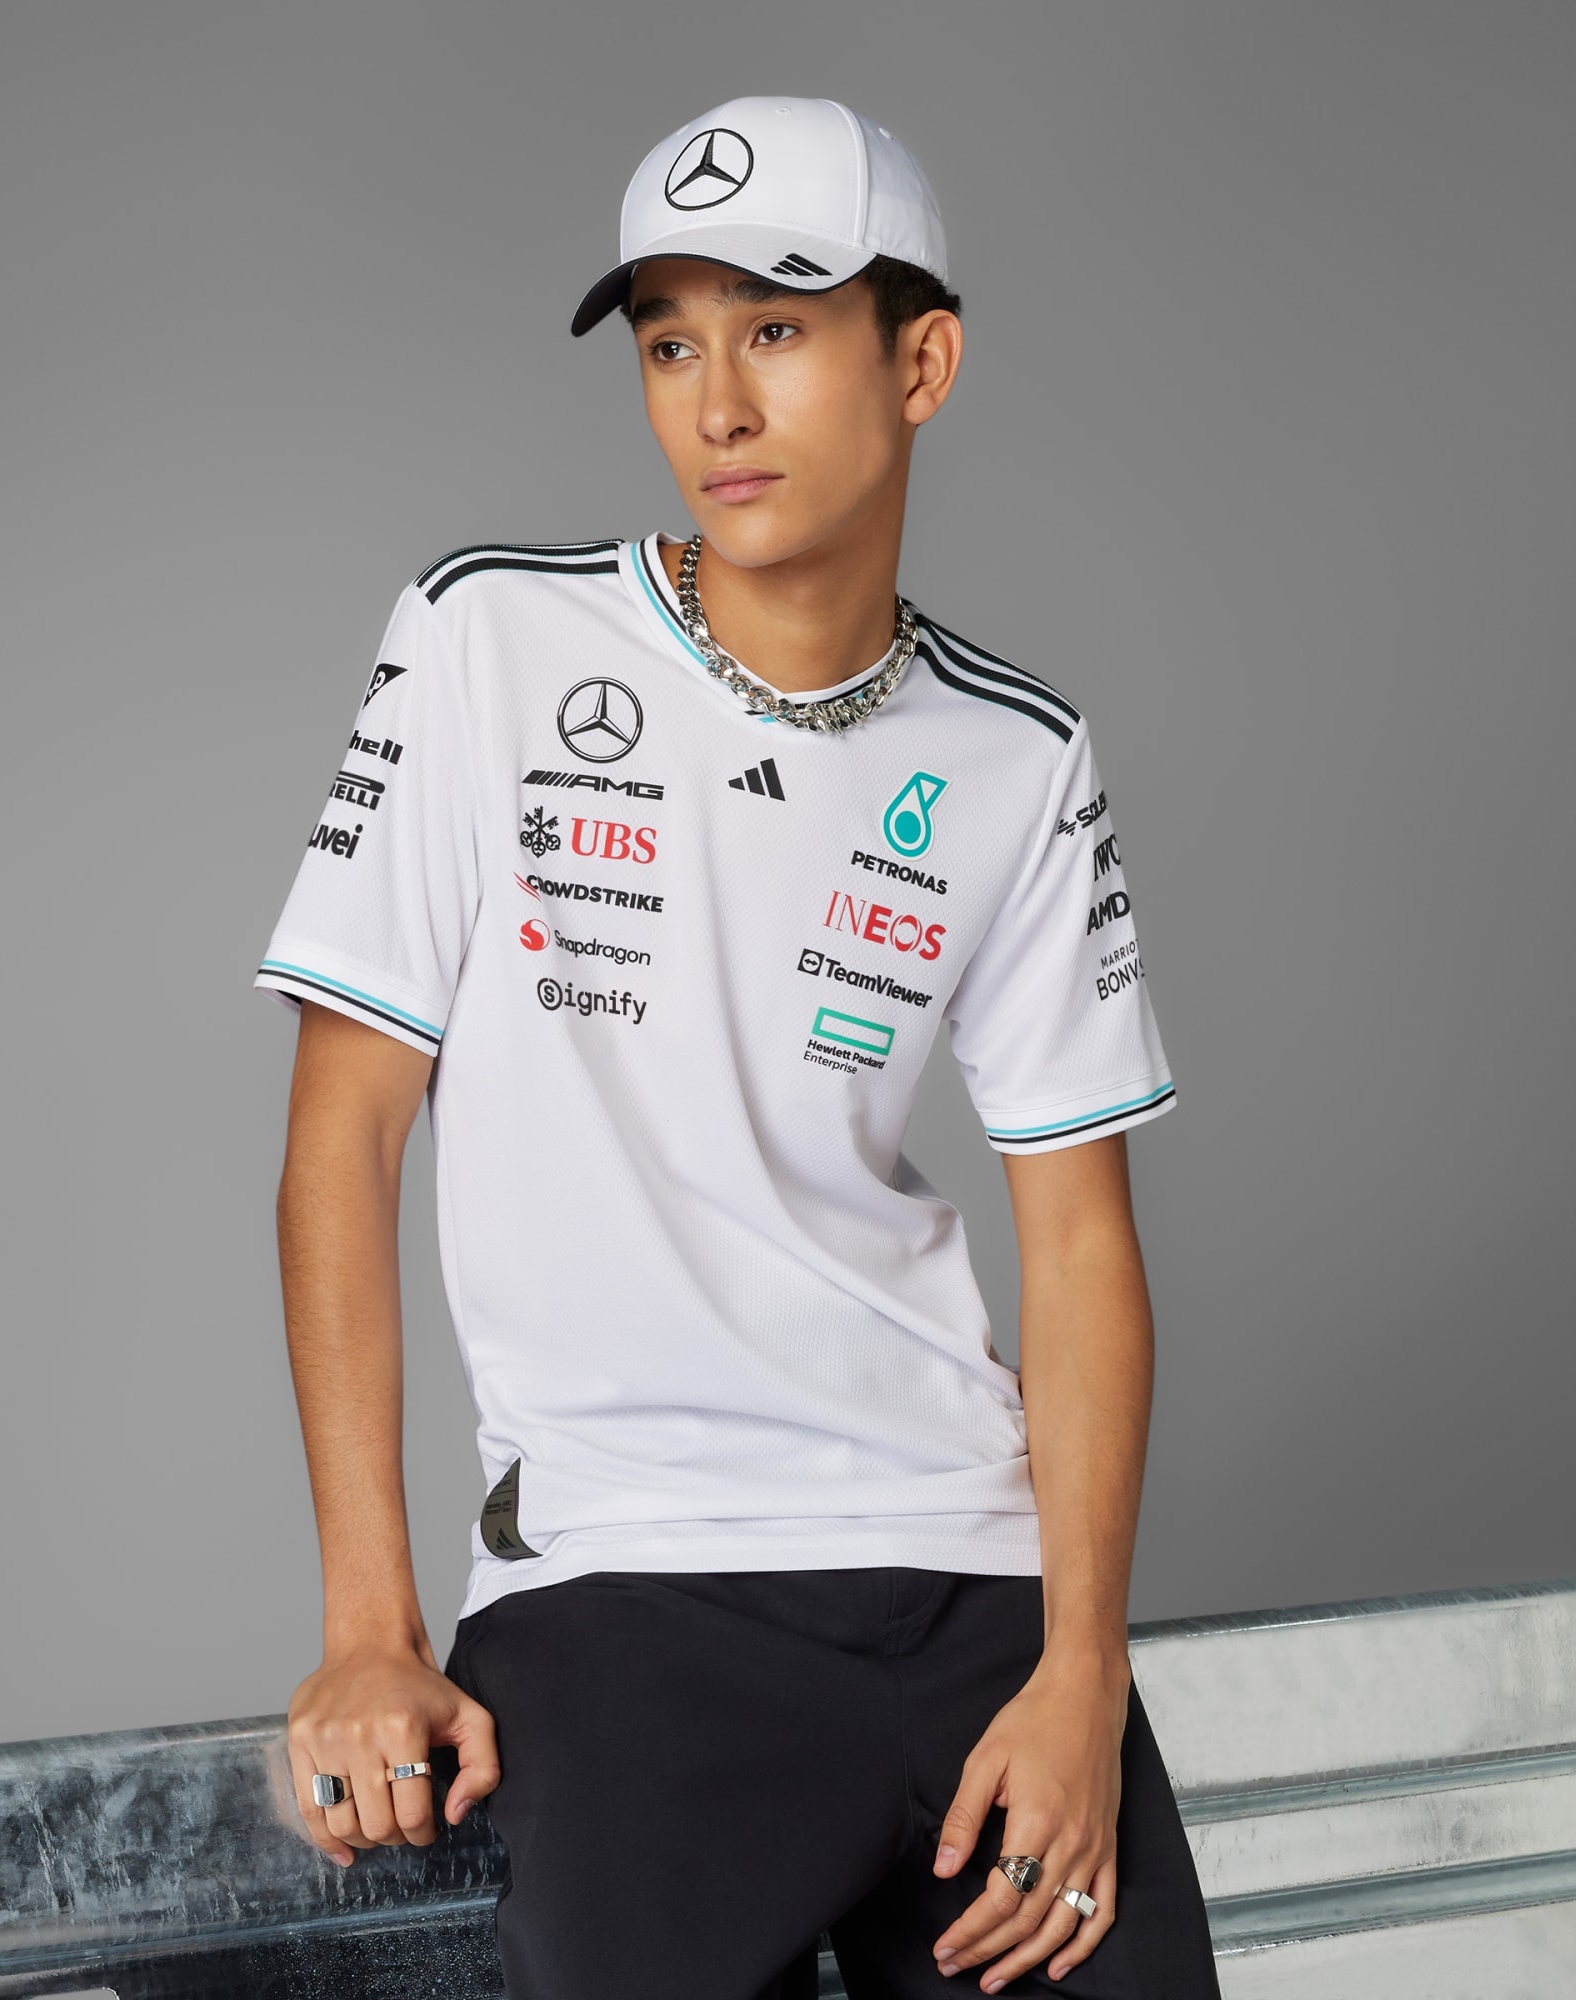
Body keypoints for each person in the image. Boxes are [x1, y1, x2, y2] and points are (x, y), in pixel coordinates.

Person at [259, 96, 1218, 1999]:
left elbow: (1081, 1245)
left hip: (976, 1590)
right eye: (671, 343)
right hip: (628, 1593)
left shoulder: (1017, 754)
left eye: (776, 329)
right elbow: (342, 1142)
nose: (717, 405)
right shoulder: (485, 642)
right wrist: (371, 1620)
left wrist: (1080, 1670)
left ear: (921, 365)